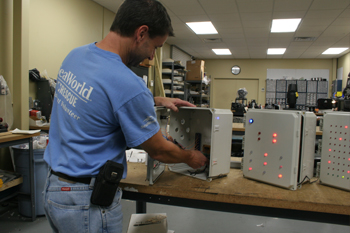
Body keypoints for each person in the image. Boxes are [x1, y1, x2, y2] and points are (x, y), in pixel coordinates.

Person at [42, 0, 208, 232]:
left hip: (54, 189)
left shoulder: (76, 56)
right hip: (87, 201)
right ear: (141, 33)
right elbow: (158, 149)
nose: (151, 56)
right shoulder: (128, 84)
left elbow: (97, 101)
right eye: (155, 47)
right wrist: (191, 157)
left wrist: (155, 100)